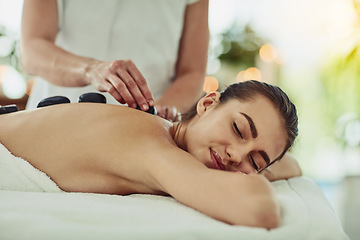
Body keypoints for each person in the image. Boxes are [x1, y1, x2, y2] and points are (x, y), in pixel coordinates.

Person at [0, 80, 300, 229]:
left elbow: (292, 165)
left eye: (255, 161)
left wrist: (262, 169)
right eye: (237, 129)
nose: (236, 156)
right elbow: (257, 207)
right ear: (208, 104)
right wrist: (259, 171)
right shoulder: (150, 145)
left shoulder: (164, 137)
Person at [19, 0, 209, 121]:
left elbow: (192, 71)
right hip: (53, 119)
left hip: (143, 132)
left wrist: (161, 112)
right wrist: (91, 69)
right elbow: (32, 49)